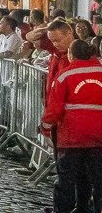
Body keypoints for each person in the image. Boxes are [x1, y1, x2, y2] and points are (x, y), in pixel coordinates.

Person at [40, 39, 102, 213]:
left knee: (66, 177)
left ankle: (63, 210)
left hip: (71, 135)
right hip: (98, 135)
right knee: (96, 178)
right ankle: (85, 208)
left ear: (71, 55)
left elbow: (54, 108)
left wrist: (45, 127)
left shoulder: (66, 75)